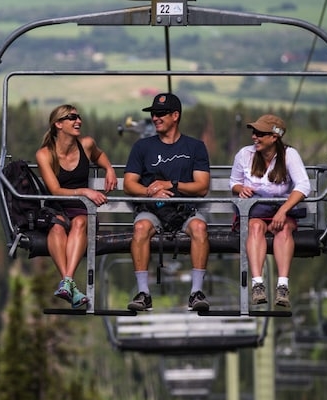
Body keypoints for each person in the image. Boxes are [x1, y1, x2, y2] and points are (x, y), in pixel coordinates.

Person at [123, 93, 211, 312]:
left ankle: (196, 292)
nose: (155, 118)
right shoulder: (142, 147)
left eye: (161, 114)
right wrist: (150, 191)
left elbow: (202, 186)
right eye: (153, 114)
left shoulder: (195, 147)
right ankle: (144, 293)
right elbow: (128, 184)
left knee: (199, 227)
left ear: (175, 116)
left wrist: (171, 184)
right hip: (153, 209)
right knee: (141, 228)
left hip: (184, 208)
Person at [36, 104, 117, 309]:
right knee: (56, 227)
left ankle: (67, 281)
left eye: (78, 117)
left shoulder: (86, 145)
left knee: (81, 223)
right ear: (59, 124)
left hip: (81, 209)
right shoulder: (45, 155)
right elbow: (55, 190)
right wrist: (84, 191)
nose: (78, 121)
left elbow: (99, 155)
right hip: (59, 206)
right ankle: (70, 283)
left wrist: (109, 169)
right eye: (72, 118)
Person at [229, 113, 310, 308]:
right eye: (254, 133)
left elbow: (304, 186)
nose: (254, 137)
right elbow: (234, 182)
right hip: (255, 208)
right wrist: (241, 189)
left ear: (274, 137)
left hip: (281, 207)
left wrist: (283, 211)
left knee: (284, 229)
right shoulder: (245, 155)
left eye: (260, 133)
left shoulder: (289, 155)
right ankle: (258, 284)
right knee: (255, 227)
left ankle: (282, 286)